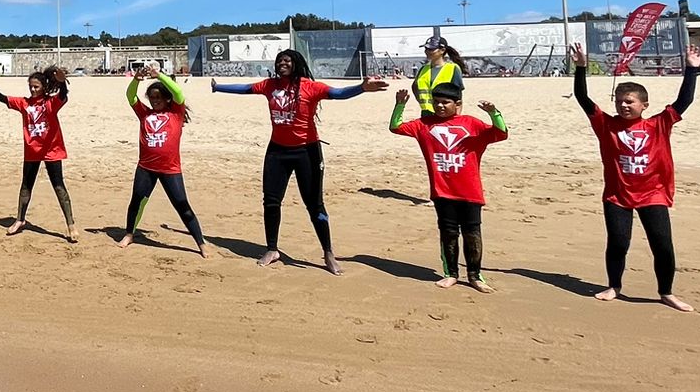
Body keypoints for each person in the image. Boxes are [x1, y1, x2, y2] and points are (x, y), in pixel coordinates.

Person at [211, 50, 385, 273]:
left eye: (287, 60)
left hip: (306, 151)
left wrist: (362, 88)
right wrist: (218, 87)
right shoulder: (269, 85)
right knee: (271, 201)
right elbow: (245, 88)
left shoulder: (310, 87)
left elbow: (339, 93)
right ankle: (272, 249)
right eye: (279, 61)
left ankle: (328, 253)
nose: (282, 63)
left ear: (296, 64)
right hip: (277, 151)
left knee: (315, 204)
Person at [572, 40, 700, 312]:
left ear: (644, 105)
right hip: (617, 195)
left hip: (653, 194)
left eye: (629, 102)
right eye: (620, 101)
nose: (623, 106)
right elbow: (583, 99)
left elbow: (685, 101)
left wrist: (692, 70)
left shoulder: (659, 123)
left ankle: (666, 292)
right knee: (619, 243)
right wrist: (581, 67)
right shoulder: (606, 124)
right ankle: (614, 286)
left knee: (663, 247)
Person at [388, 78, 508, 290]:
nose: (440, 106)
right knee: (448, 232)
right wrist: (400, 104)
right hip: (442, 191)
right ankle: (450, 273)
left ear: (458, 104)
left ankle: (475, 275)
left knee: (472, 234)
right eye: (437, 102)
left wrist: (493, 112)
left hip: (470, 192)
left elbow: (501, 133)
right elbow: (395, 127)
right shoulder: (424, 125)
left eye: (446, 102)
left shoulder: (472, 124)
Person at [0, 64, 76, 241]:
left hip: (52, 151)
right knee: (26, 186)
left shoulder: (51, 102)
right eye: (30, 86)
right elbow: (3, 98)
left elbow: (63, 95)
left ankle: (70, 225)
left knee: (59, 187)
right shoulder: (24, 103)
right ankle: (20, 220)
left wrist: (62, 83)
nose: (32, 89)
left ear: (44, 87)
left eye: (36, 86)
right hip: (32, 151)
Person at [118, 65, 204, 254]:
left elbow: (179, 92)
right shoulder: (144, 113)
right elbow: (131, 97)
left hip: (170, 169)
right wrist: (136, 80)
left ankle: (201, 243)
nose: (155, 101)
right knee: (137, 201)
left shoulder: (176, 113)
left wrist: (159, 76)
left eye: (159, 97)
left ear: (166, 98)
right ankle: (129, 234)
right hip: (146, 167)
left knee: (182, 204)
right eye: (152, 98)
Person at [415, 35, 465, 117]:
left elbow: (458, 96)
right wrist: (422, 102)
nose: (427, 51)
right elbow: (415, 86)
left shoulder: (453, 68)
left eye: (431, 49)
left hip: (445, 114)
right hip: (426, 114)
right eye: (426, 49)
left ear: (442, 50)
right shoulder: (423, 69)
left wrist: (457, 117)